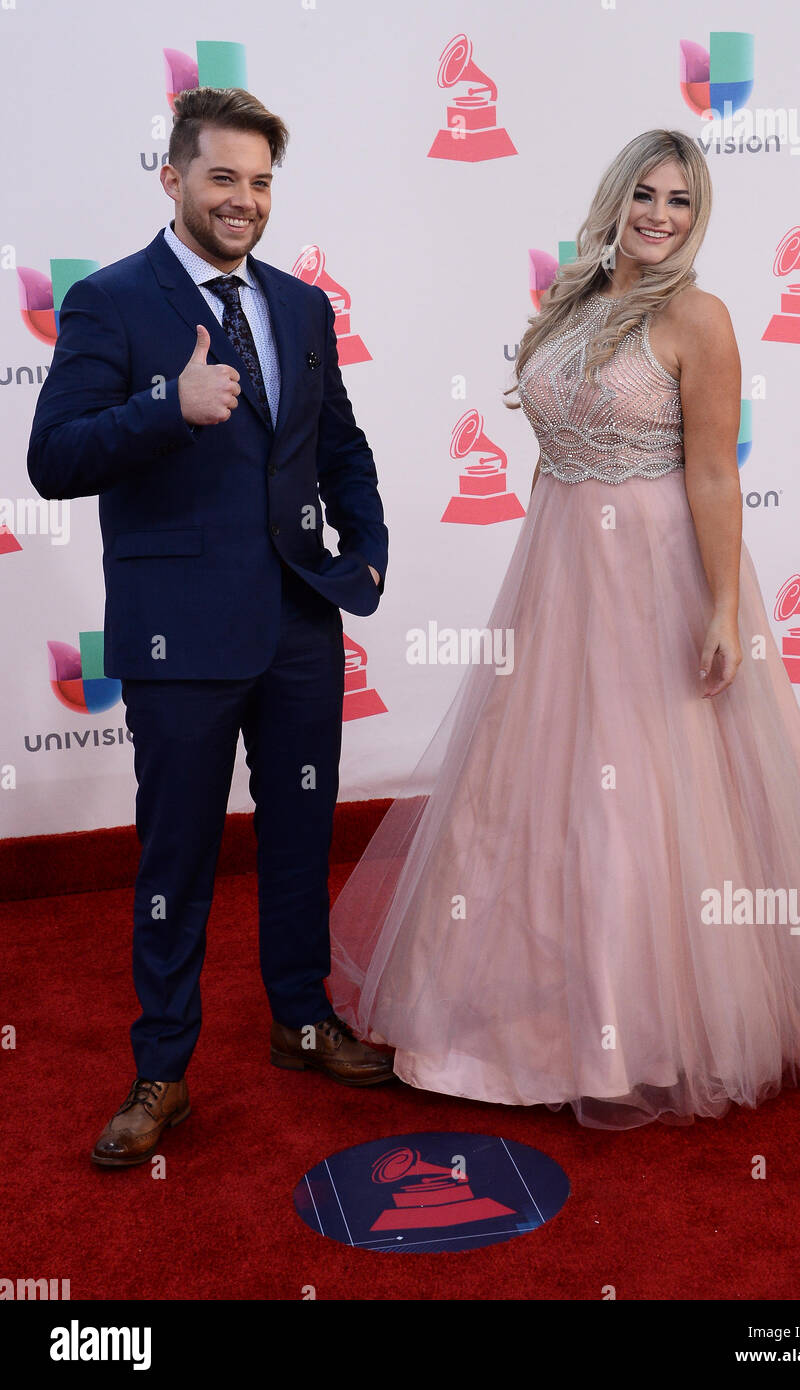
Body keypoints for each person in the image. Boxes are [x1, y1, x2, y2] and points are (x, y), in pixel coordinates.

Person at [327, 128, 800, 1130]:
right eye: (644, 195)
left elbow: (712, 471)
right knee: (533, 782)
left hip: (656, 573)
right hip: (560, 566)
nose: (659, 215)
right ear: (614, 202)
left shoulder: (698, 319)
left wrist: (718, 604)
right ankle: (523, 1019)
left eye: (679, 200)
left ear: (694, 216)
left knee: (644, 783)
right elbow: (551, 458)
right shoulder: (569, 306)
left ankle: (649, 1026)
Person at [27, 87, 395, 1169]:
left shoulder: (300, 305)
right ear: (174, 179)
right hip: (174, 636)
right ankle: (163, 1071)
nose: (244, 200)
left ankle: (301, 1020)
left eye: (261, 181)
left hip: (296, 626)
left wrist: (361, 555)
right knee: (177, 856)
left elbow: (342, 446)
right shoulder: (108, 300)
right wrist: (162, 408)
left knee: (297, 840)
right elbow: (52, 459)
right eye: (223, 177)